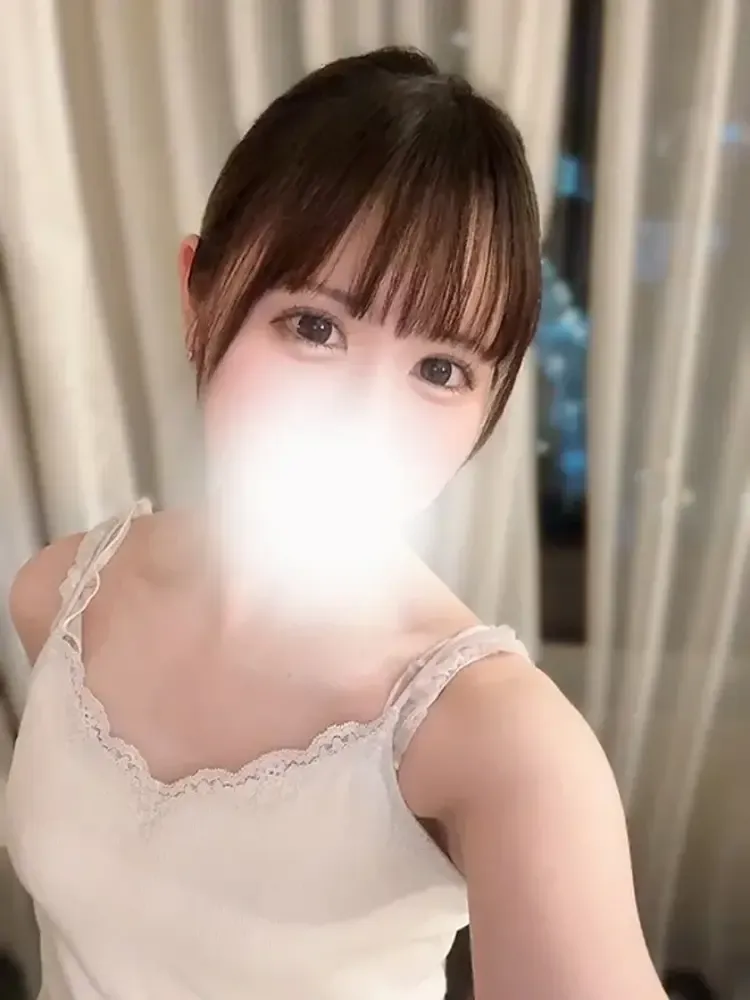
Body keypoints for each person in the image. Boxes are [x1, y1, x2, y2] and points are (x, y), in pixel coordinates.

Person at [6, 46, 666, 1000]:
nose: (365, 419)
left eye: (441, 369)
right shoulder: (58, 597)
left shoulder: (503, 746)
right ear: (200, 298)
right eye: (315, 326)